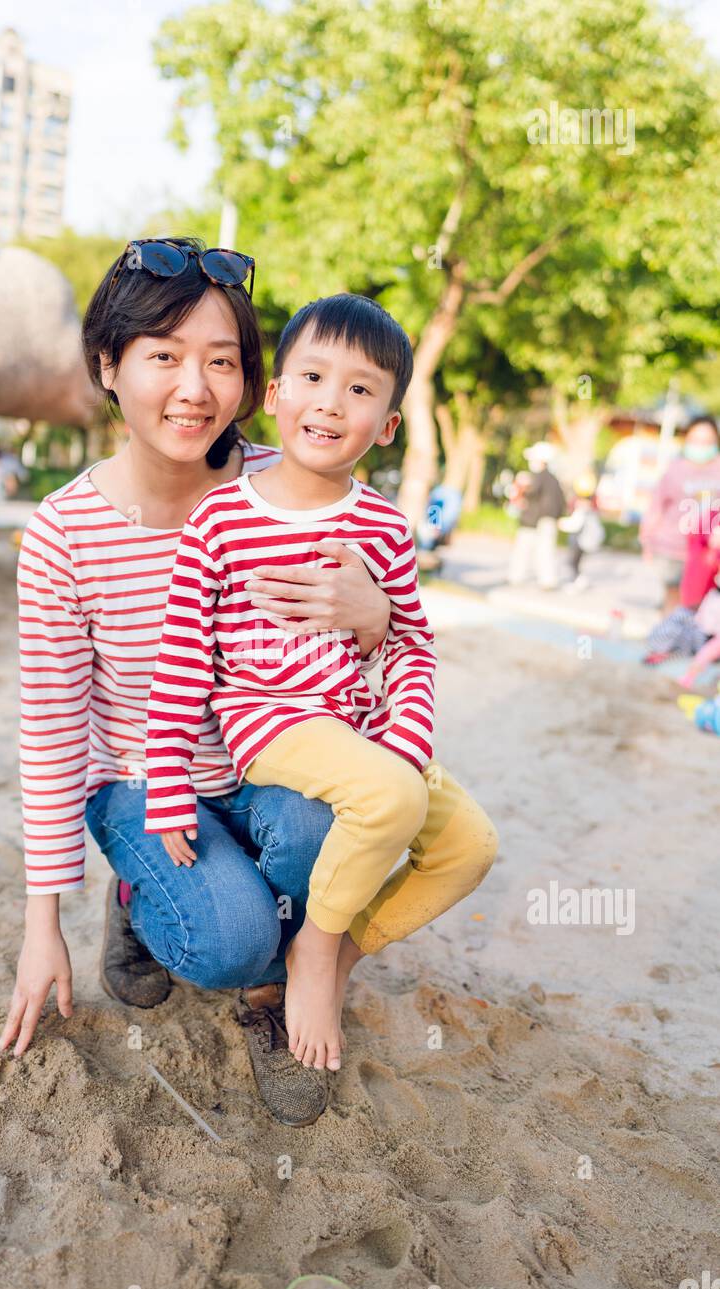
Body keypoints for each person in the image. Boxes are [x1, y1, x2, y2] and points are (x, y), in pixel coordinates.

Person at [0, 236, 497, 1129]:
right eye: (162, 357)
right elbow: (49, 731)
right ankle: (142, 899)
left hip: (277, 766)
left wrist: (374, 616)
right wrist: (42, 927)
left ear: (251, 382)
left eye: (220, 361)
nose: (194, 389)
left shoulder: (290, 478)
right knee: (227, 939)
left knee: (329, 828)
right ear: (109, 364)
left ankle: (284, 990)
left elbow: (391, 633)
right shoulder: (64, 534)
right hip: (147, 783)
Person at [143, 293, 498, 1082]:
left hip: (364, 733)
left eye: (362, 389)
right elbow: (179, 662)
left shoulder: (383, 527)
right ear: (275, 396)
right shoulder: (221, 520)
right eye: (312, 376)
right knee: (388, 801)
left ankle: (332, 952)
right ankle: (312, 948)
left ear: (388, 426)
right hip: (271, 724)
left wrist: (404, 745)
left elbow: (409, 644)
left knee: (469, 846)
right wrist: (165, 779)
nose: (331, 403)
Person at [639, 415, 720, 616]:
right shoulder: (675, 469)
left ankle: (692, 644)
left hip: (708, 551)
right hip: (672, 548)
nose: (701, 446)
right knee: (673, 600)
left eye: (707, 441)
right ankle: (666, 643)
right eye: (696, 441)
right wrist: (646, 540)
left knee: (701, 604)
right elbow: (656, 506)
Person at [507, 441, 566, 589]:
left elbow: (529, 495)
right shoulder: (554, 480)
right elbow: (561, 502)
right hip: (549, 520)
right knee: (546, 551)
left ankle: (516, 577)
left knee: (523, 549)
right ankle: (548, 580)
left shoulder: (537, 477)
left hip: (533, 521)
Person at [558, 473, 605, 592]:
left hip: (580, 541)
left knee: (572, 563)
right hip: (585, 541)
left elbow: (574, 524)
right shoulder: (591, 509)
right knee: (575, 563)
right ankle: (580, 580)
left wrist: (560, 523)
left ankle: (577, 582)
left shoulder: (582, 509)